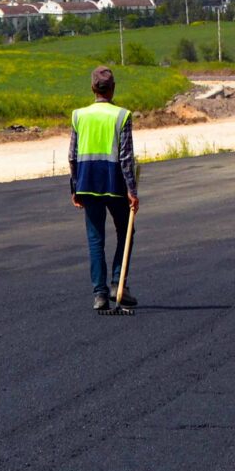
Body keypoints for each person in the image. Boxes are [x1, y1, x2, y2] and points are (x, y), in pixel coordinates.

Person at [69, 66, 139, 313]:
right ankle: (117, 283)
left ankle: (99, 294)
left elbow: (72, 155)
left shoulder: (79, 115)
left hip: (87, 183)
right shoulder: (122, 115)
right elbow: (126, 157)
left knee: (95, 239)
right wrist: (132, 190)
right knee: (126, 231)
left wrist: (74, 187)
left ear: (92, 88)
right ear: (113, 88)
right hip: (114, 182)